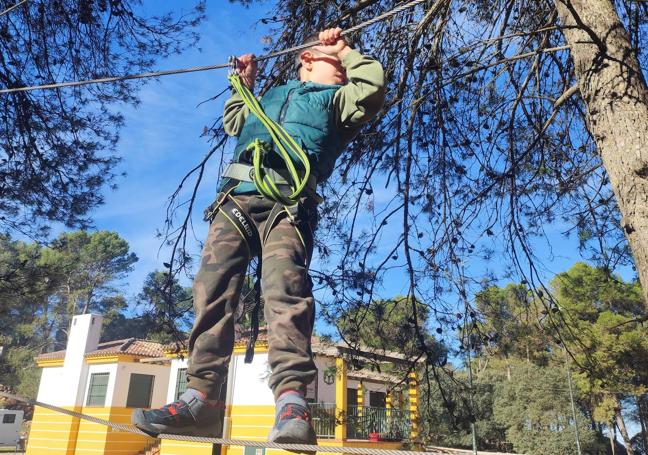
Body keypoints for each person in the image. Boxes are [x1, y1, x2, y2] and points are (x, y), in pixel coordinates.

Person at [132, 27, 385, 446]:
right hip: (236, 201)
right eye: (336, 62)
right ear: (306, 59)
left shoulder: (339, 102)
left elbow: (372, 85)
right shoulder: (267, 97)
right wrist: (244, 85)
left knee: (284, 290)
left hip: (288, 204)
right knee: (211, 289)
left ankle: (291, 402)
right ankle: (201, 400)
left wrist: (342, 48)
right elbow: (236, 120)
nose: (344, 68)